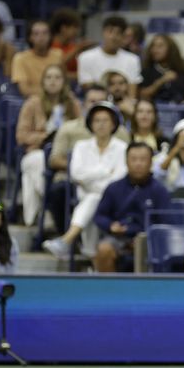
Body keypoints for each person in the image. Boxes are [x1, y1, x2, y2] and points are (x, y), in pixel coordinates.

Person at [42, 101, 127, 260]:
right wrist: (105, 172)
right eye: (97, 120)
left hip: (112, 198)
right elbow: (76, 174)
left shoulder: (122, 148)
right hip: (84, 194)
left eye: (105, 120)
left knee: (94, 198)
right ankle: (90, 255)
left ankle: (67, 240)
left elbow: (118, 178)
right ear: (90, 124)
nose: (101, 125)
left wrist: (92, 177)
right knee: (93, 199)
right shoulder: (81, 146)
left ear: (113, 124)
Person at [16, 64, 81, 226]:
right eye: (49, 78)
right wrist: (46, 136)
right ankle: (49, 205)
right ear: (43, 82)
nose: (53, 82)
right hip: (37, 152)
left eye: (57, 78)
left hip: (65, 155)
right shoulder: (32, 103)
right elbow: (21, 136)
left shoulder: (73, 104)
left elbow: (82, 129)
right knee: (39, 162)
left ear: (64, 82)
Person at [93, 142, 172, 273]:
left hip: (148, 238)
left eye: (143, 159)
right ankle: (108, 290)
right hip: (118, 237)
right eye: (134, 159)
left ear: (150, 162)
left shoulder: (160, 190)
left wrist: (147, 236)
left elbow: (167, 222)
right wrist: (111, 225)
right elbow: (99, 216)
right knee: (103, 250)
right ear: (126, 161)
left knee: (146, 248)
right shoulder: (114, 188)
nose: (138, 163)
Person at [77, 15, 141, 90]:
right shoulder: (85, 57)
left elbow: (132, 93)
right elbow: (87, 88)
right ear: (103, 32)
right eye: (110, 31)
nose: (113, 37)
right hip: (96, 100)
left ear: (123, 36)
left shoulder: (133, 59)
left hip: (124, 101)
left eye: (118, 33)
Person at [11, 20, 64, 98]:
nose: (41, 37)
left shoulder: (58, 55)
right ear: (30, 37)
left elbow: (63, 84)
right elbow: (25, 90)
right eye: (36, 34)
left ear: (50, 36)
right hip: (31, 101)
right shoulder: (20, 58)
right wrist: (52, 90)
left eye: (45, 33)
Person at [138, 34, 184, 104]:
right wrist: (161, 81)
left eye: (160, 46)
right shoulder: (147, 71)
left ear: (170, 49)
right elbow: (141, 94)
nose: (155, 50)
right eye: (153, 46)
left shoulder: (183, 73)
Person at [49, 7, 95, 82]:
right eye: (74, 27)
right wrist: (78, 49)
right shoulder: (49, 46)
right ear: (63, 28)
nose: (77, 32)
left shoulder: (73, 46)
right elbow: (54, 68)